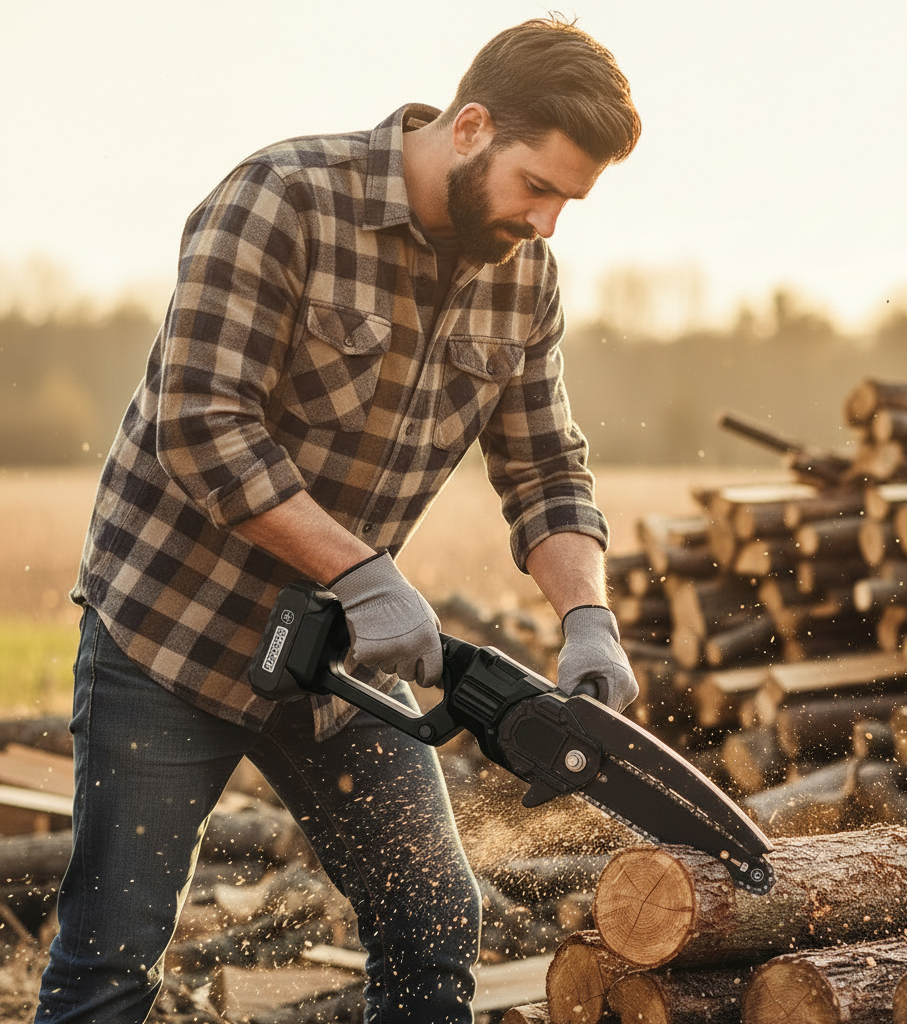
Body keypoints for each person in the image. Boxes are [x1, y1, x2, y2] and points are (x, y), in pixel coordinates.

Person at [36, 16, 641, 1023]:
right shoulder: (282, 199)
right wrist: (363, 573)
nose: (545, 224)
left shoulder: (522, 276)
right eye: (537, 187)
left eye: (568, 202)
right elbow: (200, 421)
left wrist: (588, 616)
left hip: (333, 662)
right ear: (471, 127)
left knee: (432, 923)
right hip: (170, 639)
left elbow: (544, 469)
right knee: (110, 957)